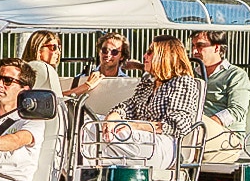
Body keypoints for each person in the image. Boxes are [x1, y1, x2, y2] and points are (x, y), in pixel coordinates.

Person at [83, 36, 200, 169]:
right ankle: (81, 180)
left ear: (165, 56)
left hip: (161, 144)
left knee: (117, 132)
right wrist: (111, 118)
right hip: (137, 140)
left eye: (150, 52)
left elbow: (176, 126)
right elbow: (129, 107)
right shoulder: (148, 82)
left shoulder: (182, 82)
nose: (145, 55)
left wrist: (135, 126)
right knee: (86, 124)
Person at [190, 30, 250, 162]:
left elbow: (237, 111)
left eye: (200, 46)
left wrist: (204, 125)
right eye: (193, 46)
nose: (195, 51)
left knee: (191, 123)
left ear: (217, 47)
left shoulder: (236, 75)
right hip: (195, 130)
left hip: (229, 139)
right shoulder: (191, 74)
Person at [63, 31, 133, 98]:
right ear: (99, 52)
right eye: (104, 50)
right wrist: (86, 86)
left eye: (114, 52)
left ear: (122, 56)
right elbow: (60, 98)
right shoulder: (82, 78)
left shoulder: (127, 83)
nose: (108, 54)